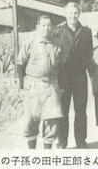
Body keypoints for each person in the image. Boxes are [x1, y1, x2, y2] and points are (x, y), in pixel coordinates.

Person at [17, 15, 63, 149]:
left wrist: (62, 86)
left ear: (52, 27)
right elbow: (20, 64)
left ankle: (46, 155)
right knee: (30, 120)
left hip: (51, 86)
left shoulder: (58, 44)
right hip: (33, 86)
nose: (46, 28)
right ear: (37, 27)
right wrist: (22, 85)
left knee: (52, 120)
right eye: (43, 25)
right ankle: (32, 153)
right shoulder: (30, 43)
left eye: (49, 25)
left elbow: (63, 65)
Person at [52, 2, 93, 149]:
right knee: (63, 111)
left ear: (79, 14)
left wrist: (92, 75)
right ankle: (62, 142)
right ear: (65, 14)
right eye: (70, 13)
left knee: (80, 111)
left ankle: (81, 142)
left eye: (75, 13)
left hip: (80, 77)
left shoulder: (87, 32)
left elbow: (89, 55)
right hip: (63, 77)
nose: (72, 15)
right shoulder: (57, 32)